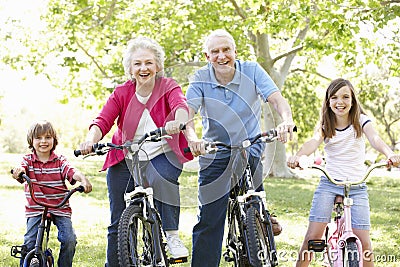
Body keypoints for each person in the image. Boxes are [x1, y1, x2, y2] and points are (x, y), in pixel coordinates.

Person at [184, 29, 296, 267]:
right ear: (207, 56)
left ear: (235, 52)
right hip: (216, 151)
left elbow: (277, 99)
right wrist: (193, 138)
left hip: (250, 147)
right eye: (215, 51)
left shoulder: (252, 70)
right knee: (210, 221)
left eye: (226, 50)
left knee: (257, 208)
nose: (221, 56)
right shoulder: (199, 79)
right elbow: (187, 115)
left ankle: (262, 231)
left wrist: (286, 120)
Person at [79, 36, 193, 266]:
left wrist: (177, 122)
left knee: (162, 179)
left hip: (161, 153)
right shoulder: (122, 92)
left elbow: (181, 106)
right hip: (126, 156)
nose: (144, 68)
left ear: (158, 66)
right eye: (138, 63)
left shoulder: (168, 86)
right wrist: (90, 140)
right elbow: (103, 120)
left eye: (149, 63)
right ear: (130, 68)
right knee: (117, 220)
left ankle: (171, 235)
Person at [287, 78, 400, 267]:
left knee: (364, 242)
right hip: (330, 184)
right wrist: (297, 156)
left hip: (357, 186)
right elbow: (313, 142)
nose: (340, 102)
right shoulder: (326, 124)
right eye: (334, 97)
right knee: (312, 237)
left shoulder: (361, 121)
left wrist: (390, 154)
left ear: (353, 100)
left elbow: (375, 138)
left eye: (346, 97)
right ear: (328, 101)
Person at [11, 120, 92, 267]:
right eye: (39, 138)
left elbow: (71, 171)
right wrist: (18, 172)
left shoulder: (59, 160)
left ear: (54, 140)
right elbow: (20, 169)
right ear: (31, 140)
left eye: (48, 137)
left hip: (59, 206)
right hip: (36, 207)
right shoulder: (27, 160)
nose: (43, 141)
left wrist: (83, 179)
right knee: (29, 243)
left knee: (69, 240)